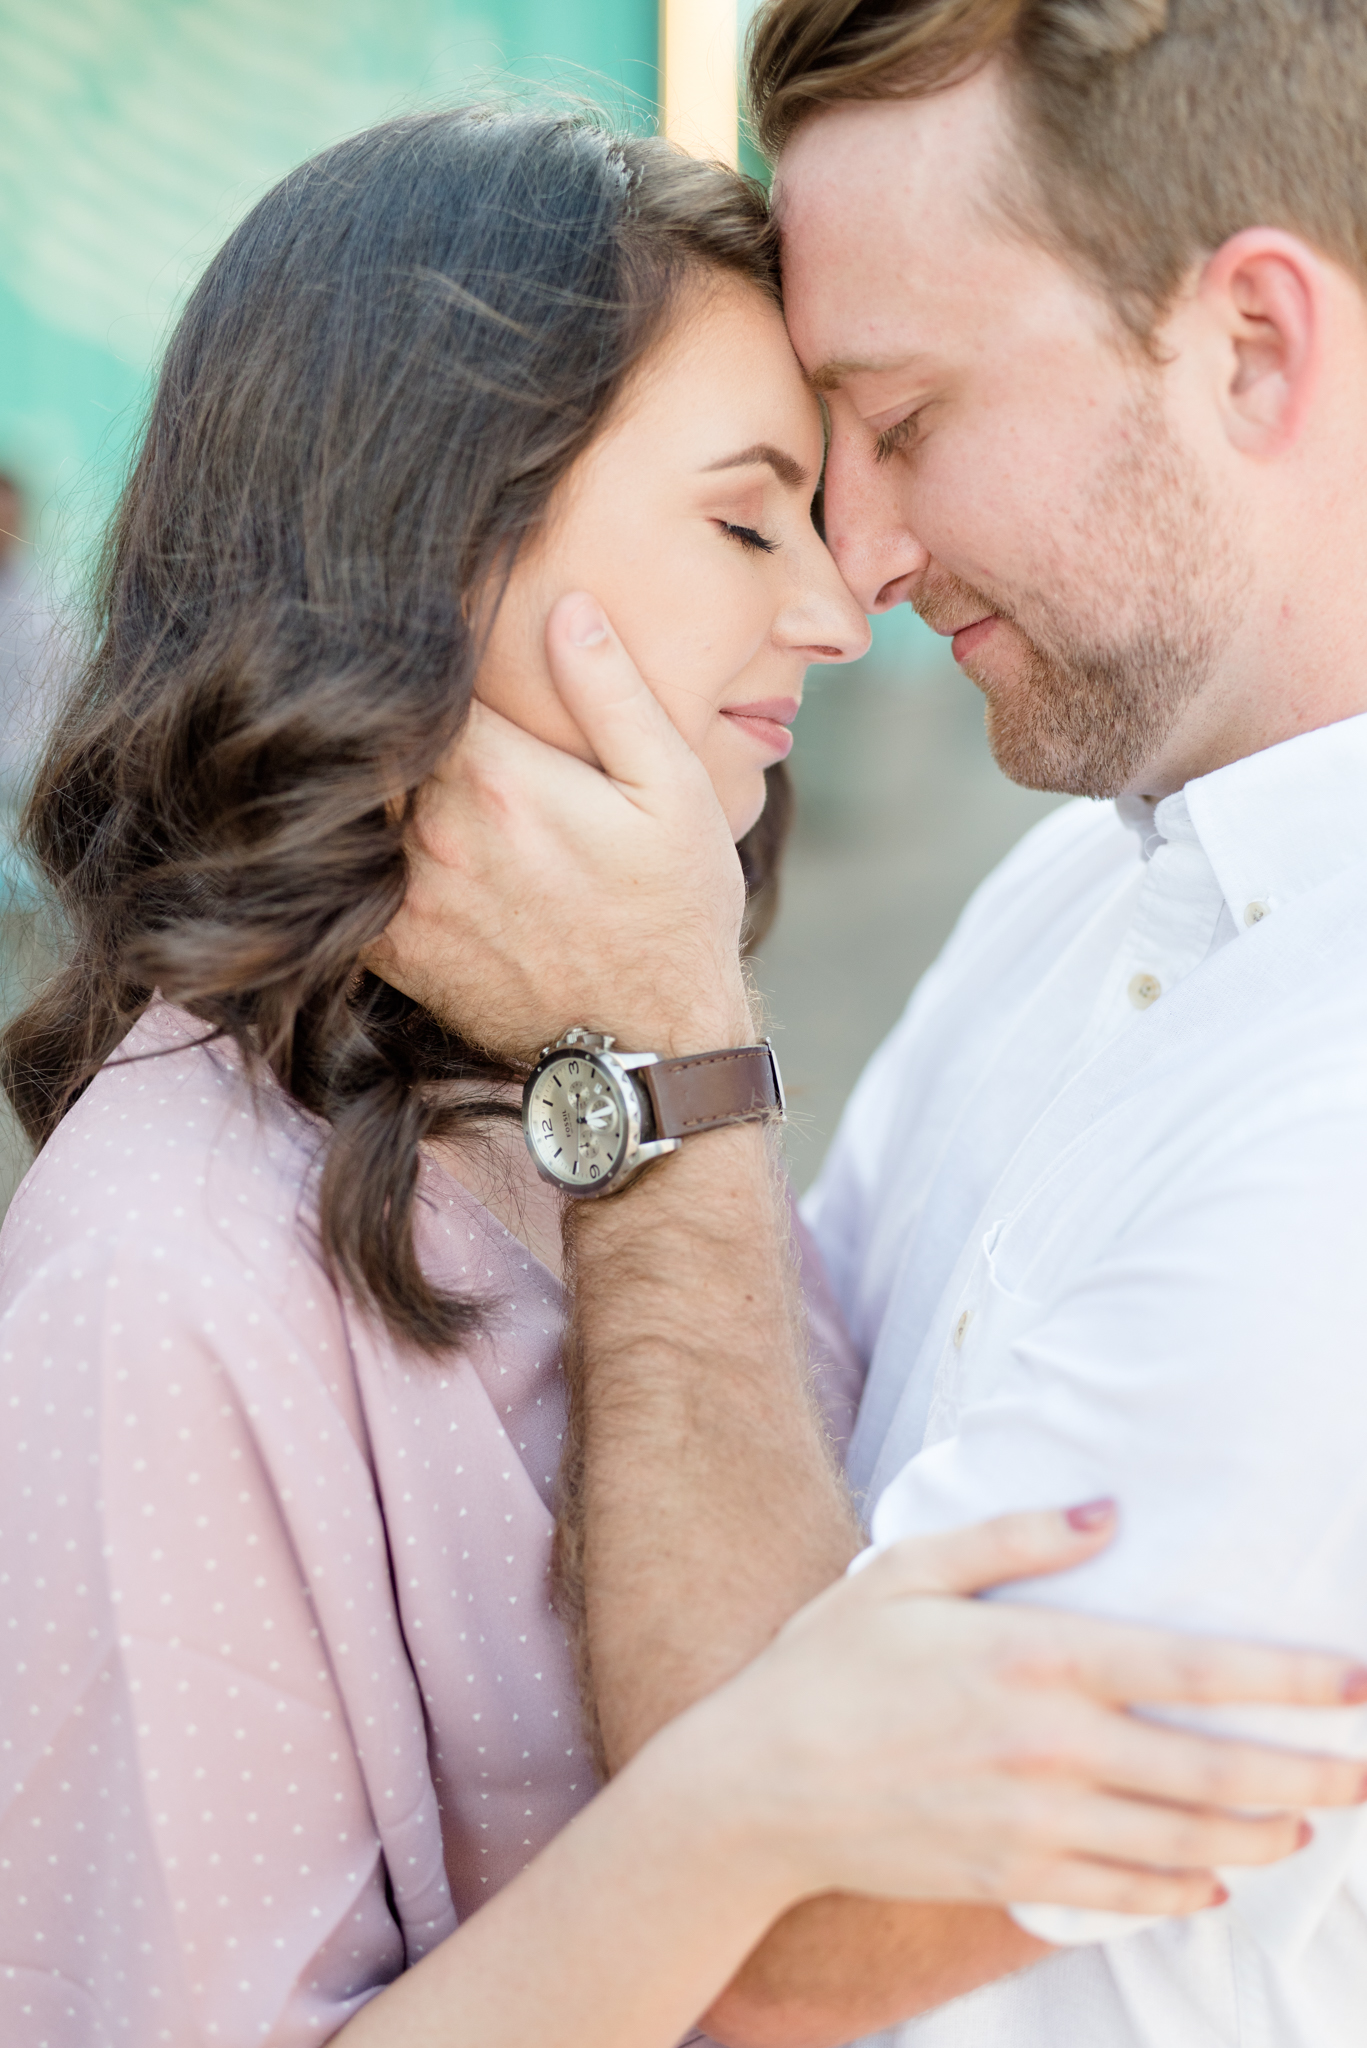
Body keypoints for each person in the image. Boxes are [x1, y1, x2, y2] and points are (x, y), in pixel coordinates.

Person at [6, 103, 1355, 2048]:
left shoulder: (561, 1108)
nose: (835, 601)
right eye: (749, 517)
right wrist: (741, 1811)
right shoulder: (160, 1263)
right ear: (429, 540)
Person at [368, 5, 1367, 2046]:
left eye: (900, 425)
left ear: (1254, 345)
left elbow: (777, 1928)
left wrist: (647, 1053)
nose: (861, 562)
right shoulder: (1083, 877)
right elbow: (752, 1418)